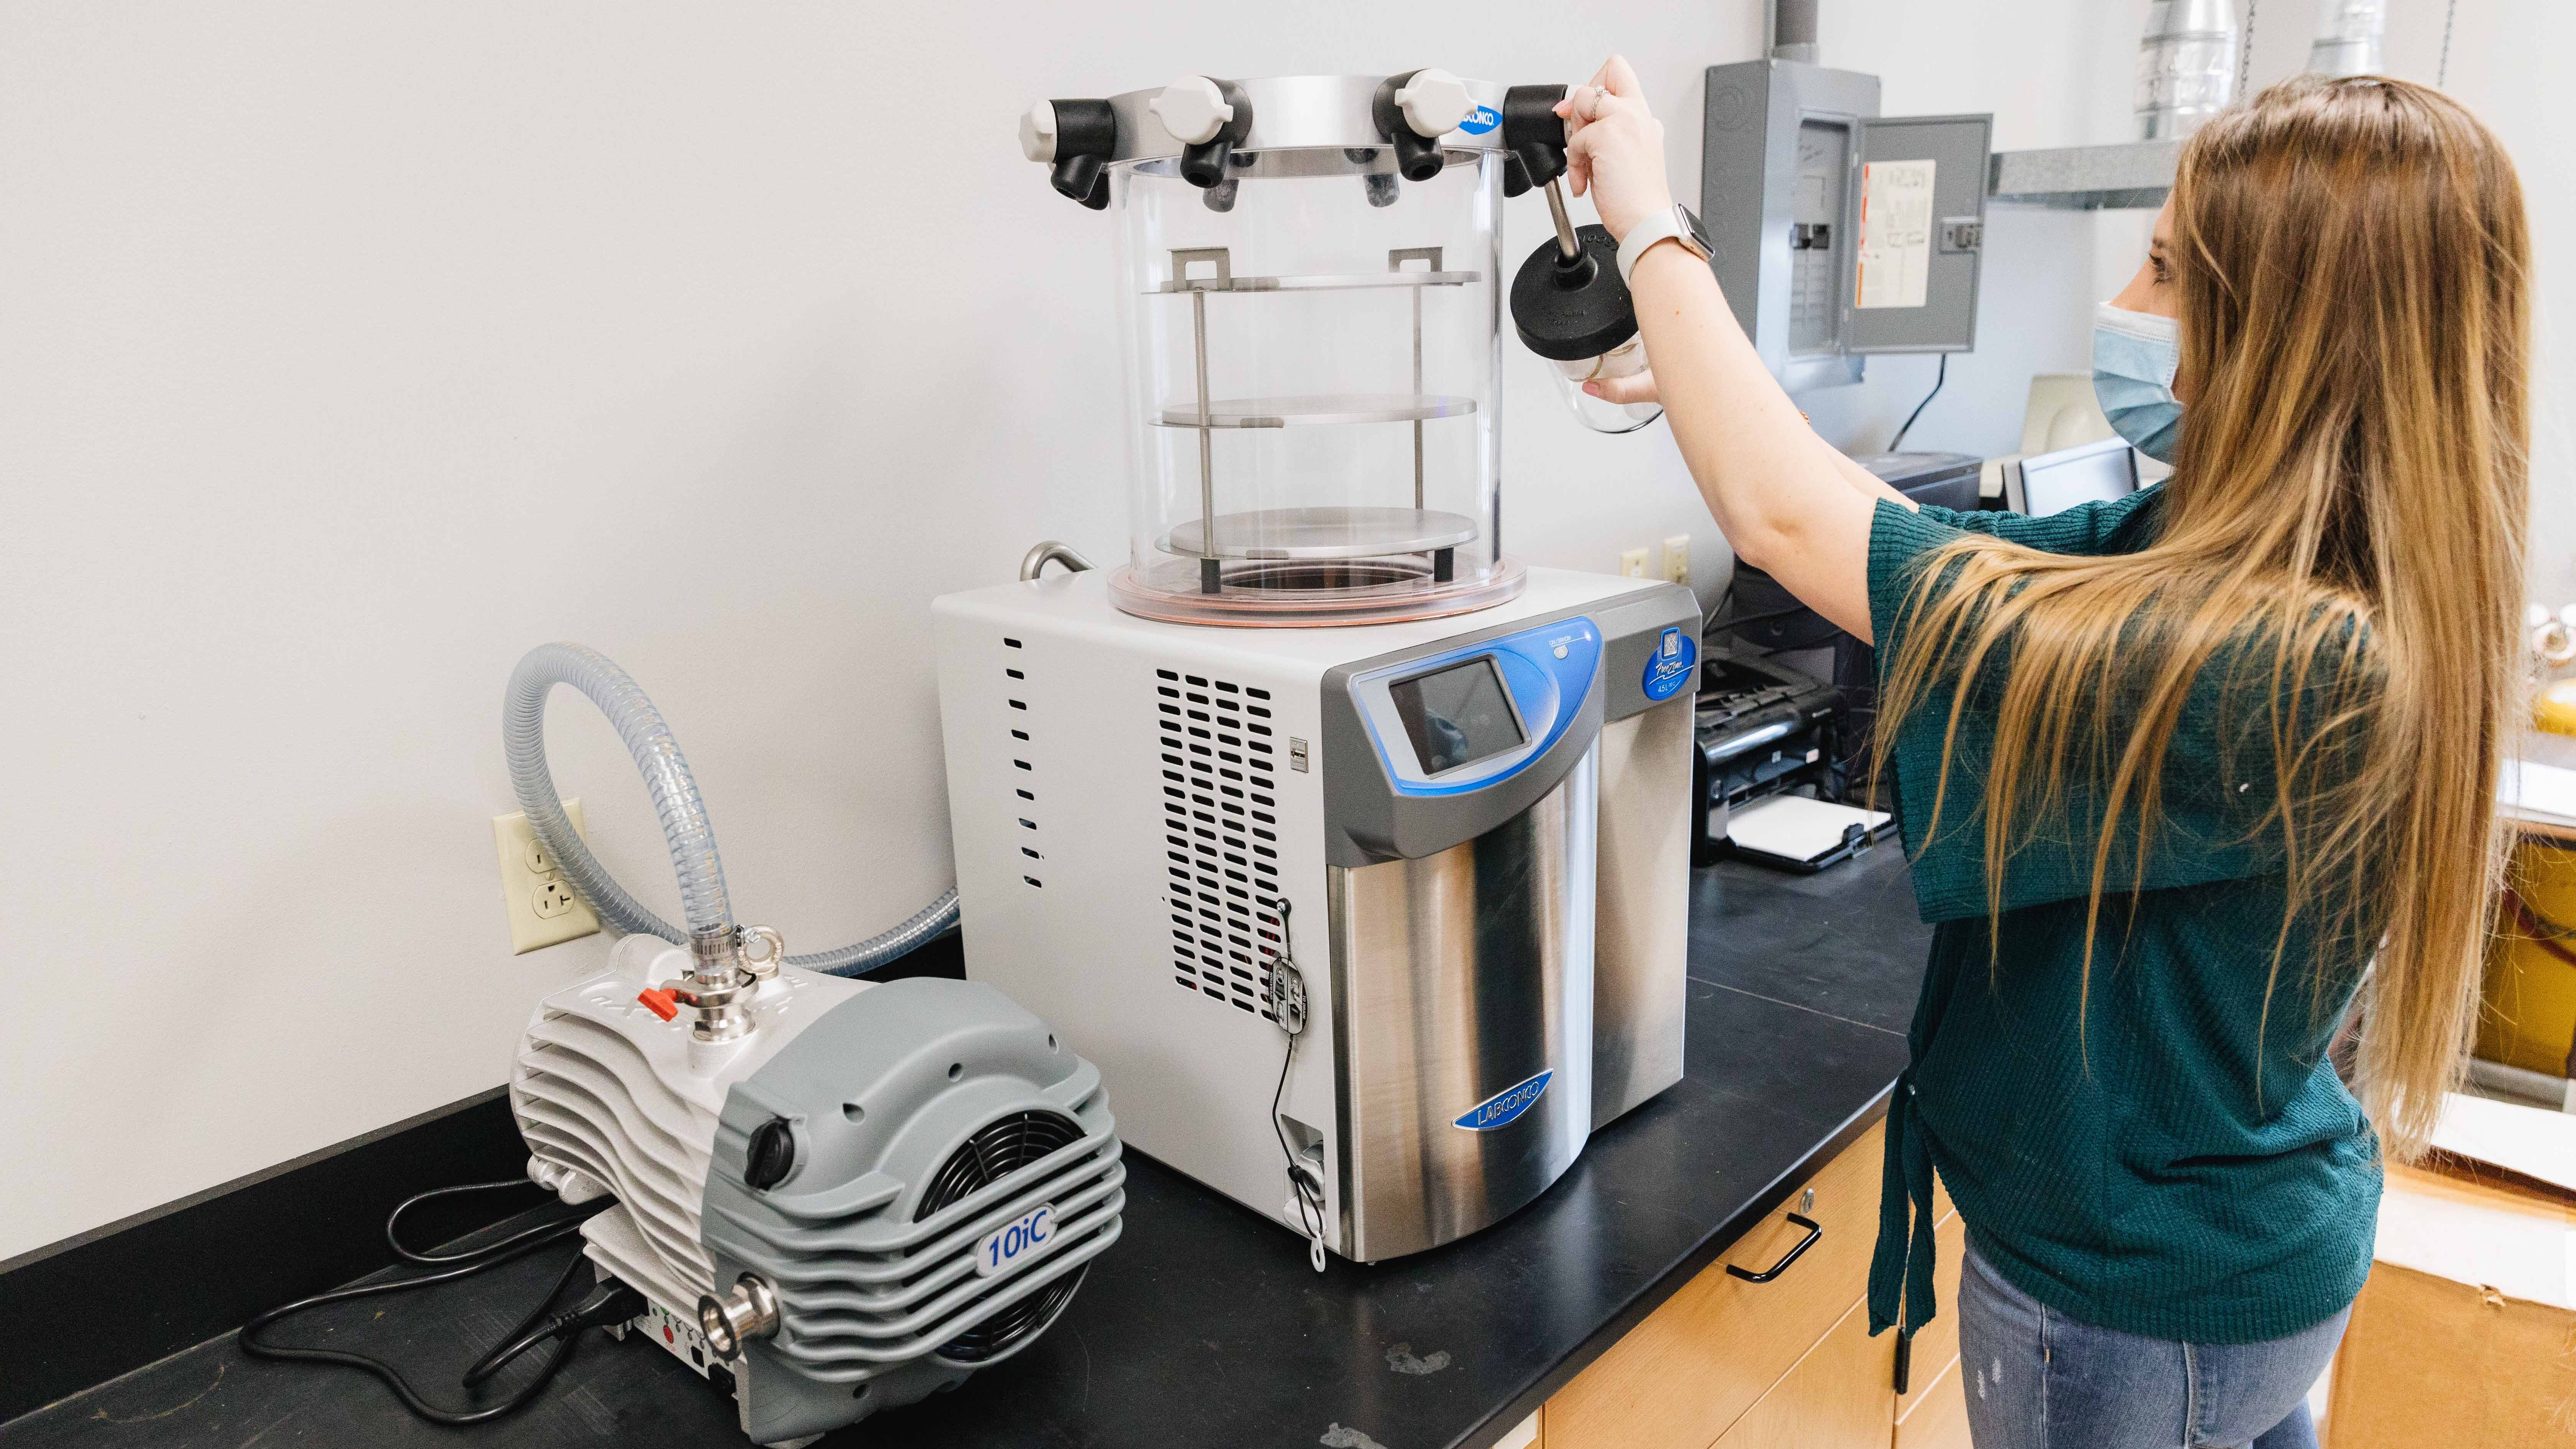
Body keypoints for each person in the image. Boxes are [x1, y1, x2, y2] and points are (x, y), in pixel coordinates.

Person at [1557, 59, 2529, 1449]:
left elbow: (1783, 522)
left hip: (2136, 1300)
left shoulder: (2275, 658)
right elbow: (1913, 540)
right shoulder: (2269, 563)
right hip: (2249, 1240)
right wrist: (1705, 344)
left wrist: (1649, 216)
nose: (2124, 314)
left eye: (2163, 271)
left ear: (2291, 335)